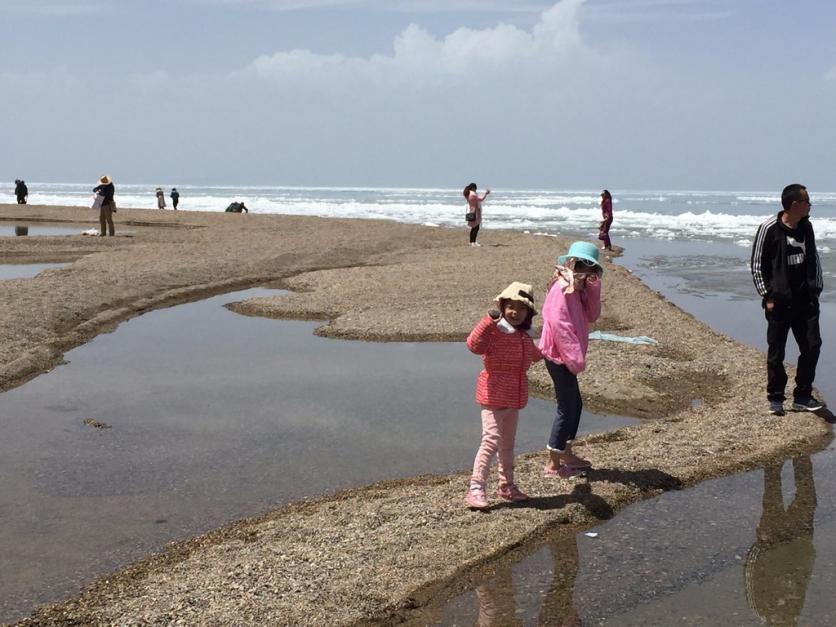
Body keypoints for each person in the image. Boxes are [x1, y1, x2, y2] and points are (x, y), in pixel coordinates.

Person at [465, 281, 543, 509]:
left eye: (521, 308)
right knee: (491, 440)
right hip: (492, 396)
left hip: (513, 398)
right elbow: (473, 345)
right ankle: (476, 487)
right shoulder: (496, 332)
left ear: (528, 312)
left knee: (507, 444)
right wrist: (488, 320)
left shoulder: (524, 336)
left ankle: (506, 485)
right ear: (502, 307)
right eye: (510, 307)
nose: (515, 312)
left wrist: (555, 346)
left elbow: (537, 355)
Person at [750, 184, 824, 415]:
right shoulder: (769, 228)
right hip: (780, 302)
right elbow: (756, 265)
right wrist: (767, 295)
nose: (810, 205)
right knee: (777, 351)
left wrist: (816, 290)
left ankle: (802, 396)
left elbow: (815, 260)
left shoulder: (806, 227)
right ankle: (776, 398)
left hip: (806, 301)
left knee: (812, 347)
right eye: (807, 201)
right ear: (795, 205)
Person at [540, 241, 603, 478]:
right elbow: (559, 324)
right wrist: (574, 357)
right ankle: (553, 464)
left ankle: (566, 452)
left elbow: (593, 315)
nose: (585, 271)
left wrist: (593, 288)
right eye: (581, 264)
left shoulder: (578, 288)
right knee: (566, 407)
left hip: (567, 357)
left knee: (576, 404)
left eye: (591, 268)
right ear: (571, 262)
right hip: (558, 356)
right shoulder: (561, 287)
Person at [744, 456, 816, 626]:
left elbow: (750, 574)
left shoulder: (761, 609)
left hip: (772, 543)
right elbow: (803, 579)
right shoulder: (794, 612)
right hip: (800, 541)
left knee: (773, 492)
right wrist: (810, 550)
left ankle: (776, 458)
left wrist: (760, 545)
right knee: (808, 496)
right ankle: (802, 452)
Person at [463, 182, 490, 247]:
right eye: (475, 189)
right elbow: (481, 199)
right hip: (475, 211)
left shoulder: (468, 194)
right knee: (476, 228)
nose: (476, 190)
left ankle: (471, 242)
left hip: (471, 210)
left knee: (473, 227)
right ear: (473, 188)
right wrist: (486, 193)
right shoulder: (473, 195)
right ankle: (473, 242)